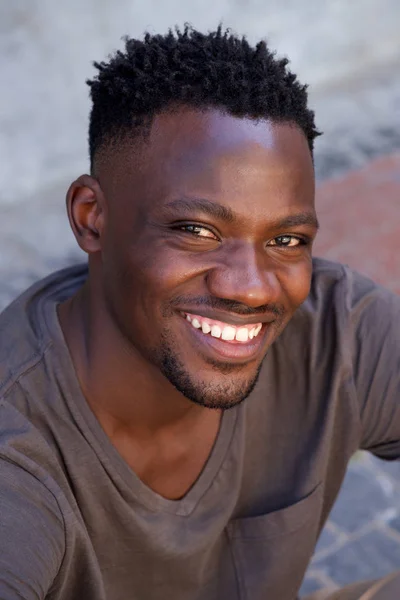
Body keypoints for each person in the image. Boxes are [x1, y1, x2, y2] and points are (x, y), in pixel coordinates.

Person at [0, 25, 399, 600]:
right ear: (92, 217)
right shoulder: (18, 447)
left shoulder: (336, 331)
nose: (252, 289)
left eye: (286, 240)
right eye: (196, 231)